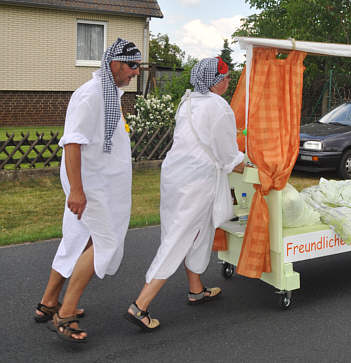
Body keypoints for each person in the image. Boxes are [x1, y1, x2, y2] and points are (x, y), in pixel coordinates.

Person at [125, 57, 245, 331]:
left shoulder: (187, 100)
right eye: (226, 78)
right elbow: (228, 155)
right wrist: (250, 163)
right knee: (180, 237)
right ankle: (140, 306)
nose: (229, 82)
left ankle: (196, 289)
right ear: (215, 82)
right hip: (197, 180)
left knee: (194, 231)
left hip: (175, 175)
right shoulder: (219, 107)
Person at [35, 38, 141, 343]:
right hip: (90, 187)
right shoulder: (91, 95)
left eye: (138, 66)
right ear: (114, 64)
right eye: (131, 65)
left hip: (99, 184)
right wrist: (77, 191)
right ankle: (65, 314)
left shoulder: (109, 94)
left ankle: (48, 303)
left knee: (77, 240)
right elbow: (72, 143)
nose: (135, 72)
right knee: (106, 242)